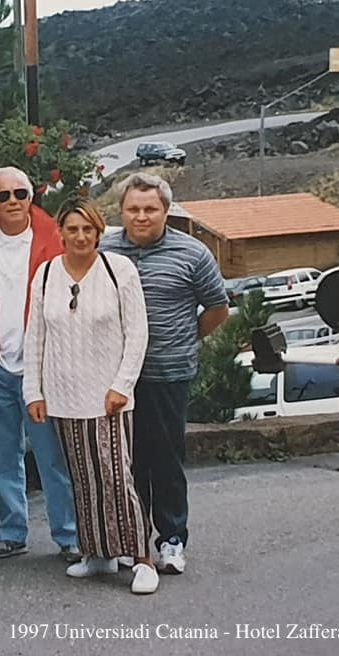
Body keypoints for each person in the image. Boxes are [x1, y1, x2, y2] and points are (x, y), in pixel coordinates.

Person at [23, 198, 157, 594]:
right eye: (73, 229)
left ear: (99, 233)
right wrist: (34, 391)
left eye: (88, 229)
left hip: (108, 396)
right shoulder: (46, 274)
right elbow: (35, 337)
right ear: (60, 233)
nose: (80, 237)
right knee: (82, 479)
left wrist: (122, 385)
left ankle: (141, 558)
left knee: (116, 477)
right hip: (64, 396)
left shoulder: (119, 270)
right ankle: (98, 552)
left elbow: (137, 333)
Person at [99, 173, 229, 576]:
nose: (141, 216)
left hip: (168, 372)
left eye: (150, 209)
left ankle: (172, 539)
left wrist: (185, 339)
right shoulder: (104, 251)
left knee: (166, 459)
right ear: (121, 211)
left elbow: (217, 308)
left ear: (165, 211)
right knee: (126, 461)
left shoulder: (192, 254)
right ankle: (132, 540)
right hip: (117, 377)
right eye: (133, 209)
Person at [0, 166, 78, 561]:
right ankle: (12, 532)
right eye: (4, 195)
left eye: (20, 194)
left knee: (53, 458)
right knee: (1, 458)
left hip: (41, 368)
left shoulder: (55, 239)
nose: (13, 201)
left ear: (31, 197)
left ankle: (69, 536)